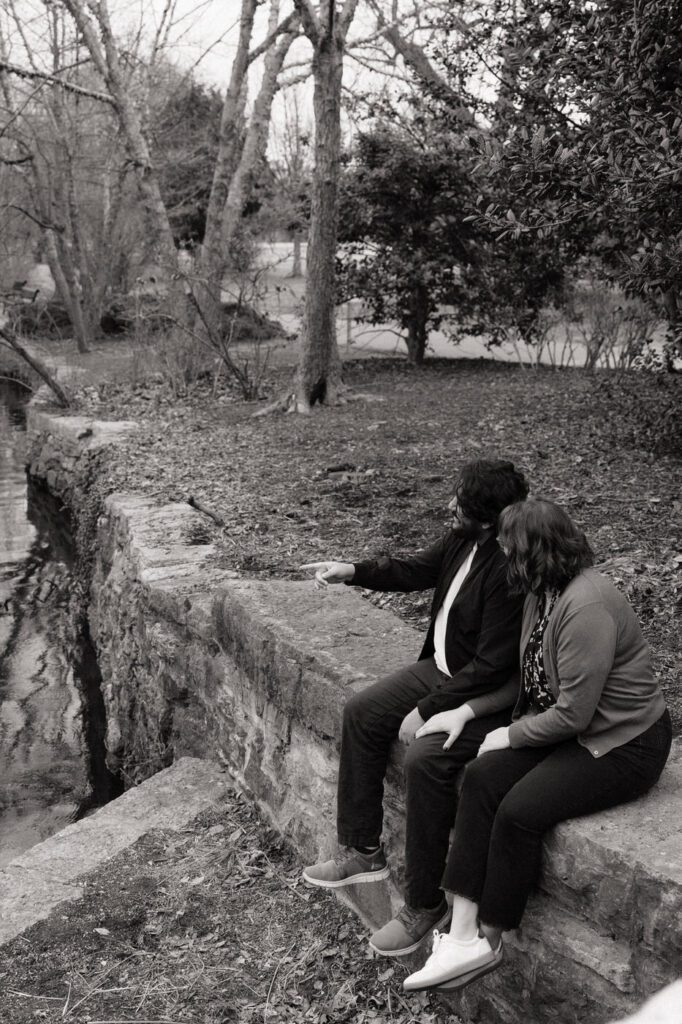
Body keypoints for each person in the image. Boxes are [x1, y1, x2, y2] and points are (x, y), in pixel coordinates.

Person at [403, 498, 672, 993]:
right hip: (570, 730)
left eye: (509, 547)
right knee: (482, 777)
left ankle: (488, 939)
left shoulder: (586, 605)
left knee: (519, 810)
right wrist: (468, 712)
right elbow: (526, 680)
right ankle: (459, 936)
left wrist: (508, 734)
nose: (502, 554)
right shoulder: (540, 594)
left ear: (535, 551)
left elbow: (574, 713)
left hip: (623, 742)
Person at [299, 459, 530, 956]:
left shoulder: (508, 570)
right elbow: (413, 570)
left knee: (424, 759)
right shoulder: (462, 541)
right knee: (362, 711)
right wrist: (352, 571)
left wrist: (427, 709)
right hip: (440, 670)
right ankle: (363, 850)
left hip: (478, 692)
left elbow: (492, 666)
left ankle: (425, 903)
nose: (449, 506)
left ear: (486, 519)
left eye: (459, 503)